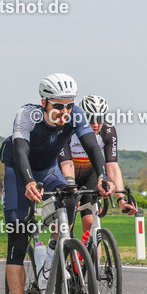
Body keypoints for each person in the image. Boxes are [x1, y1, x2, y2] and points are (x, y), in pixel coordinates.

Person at [1, 74, 112, 294]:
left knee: (71, 196)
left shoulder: (75, 116)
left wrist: (103, 176)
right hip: (19, 172)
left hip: (49, 170)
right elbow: (20, 151)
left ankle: (53, 252)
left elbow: (91, 146)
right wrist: (28, 181)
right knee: (18, 235)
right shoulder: (28, 115)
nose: (65, 111)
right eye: (58, 106)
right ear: (44, 102)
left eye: (69, 105)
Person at [58, 94, 134, 245]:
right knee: (67, 225)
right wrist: (71, 188)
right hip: (67, 174)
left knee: (91, 225)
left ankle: (94, 266)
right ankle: (61, 257)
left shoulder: (108, 131)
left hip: (90, 176)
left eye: (99, 119)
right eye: (90, 118)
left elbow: (112, 166)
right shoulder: (67, 129)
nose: (95, 124)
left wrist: (121, 199)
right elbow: (67, 164)